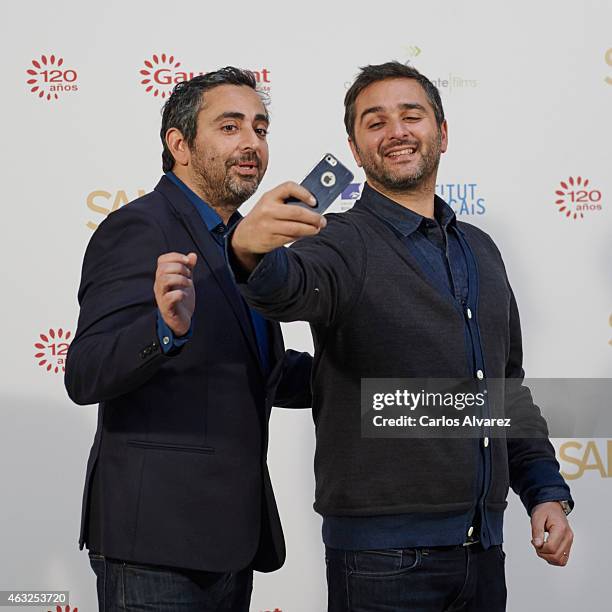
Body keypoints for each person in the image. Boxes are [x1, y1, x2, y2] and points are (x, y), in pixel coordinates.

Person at [228, 62, 574, 611]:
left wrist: (544, 492)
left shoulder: (481, 250)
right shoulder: (339, 240)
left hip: (483, 551)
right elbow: (285, 287)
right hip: (381, 563)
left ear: (441, 132)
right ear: (355, 147)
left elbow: (505, 391)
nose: (396, 131)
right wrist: (248, 251)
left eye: (411, 116)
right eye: (375, 122)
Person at [64, 67, 312, 612]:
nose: (251, 143)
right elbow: (84, 372)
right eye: (230, 127)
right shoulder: (139, 228)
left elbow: (254, 368)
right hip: (154, 544)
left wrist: (351, 368)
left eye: (261, 128)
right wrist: (163, 329)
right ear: (179, 144)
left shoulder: (248, 242)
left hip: (230, 541)